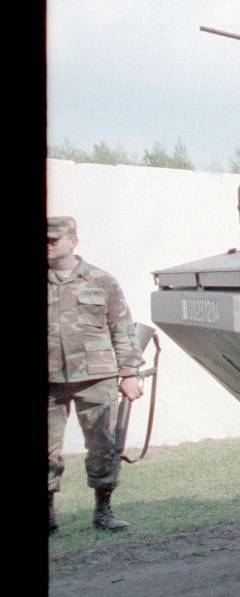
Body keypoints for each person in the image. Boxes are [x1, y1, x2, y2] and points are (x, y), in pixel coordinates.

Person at [48, 216, 143, 534]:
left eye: (53, 240)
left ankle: (104, 510)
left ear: (73, 241)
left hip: (96, 377)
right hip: (49, 380)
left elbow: (123, 328)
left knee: (103, 446)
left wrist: (129, 373)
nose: (47, 245)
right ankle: (48, 514)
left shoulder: (102, 280)